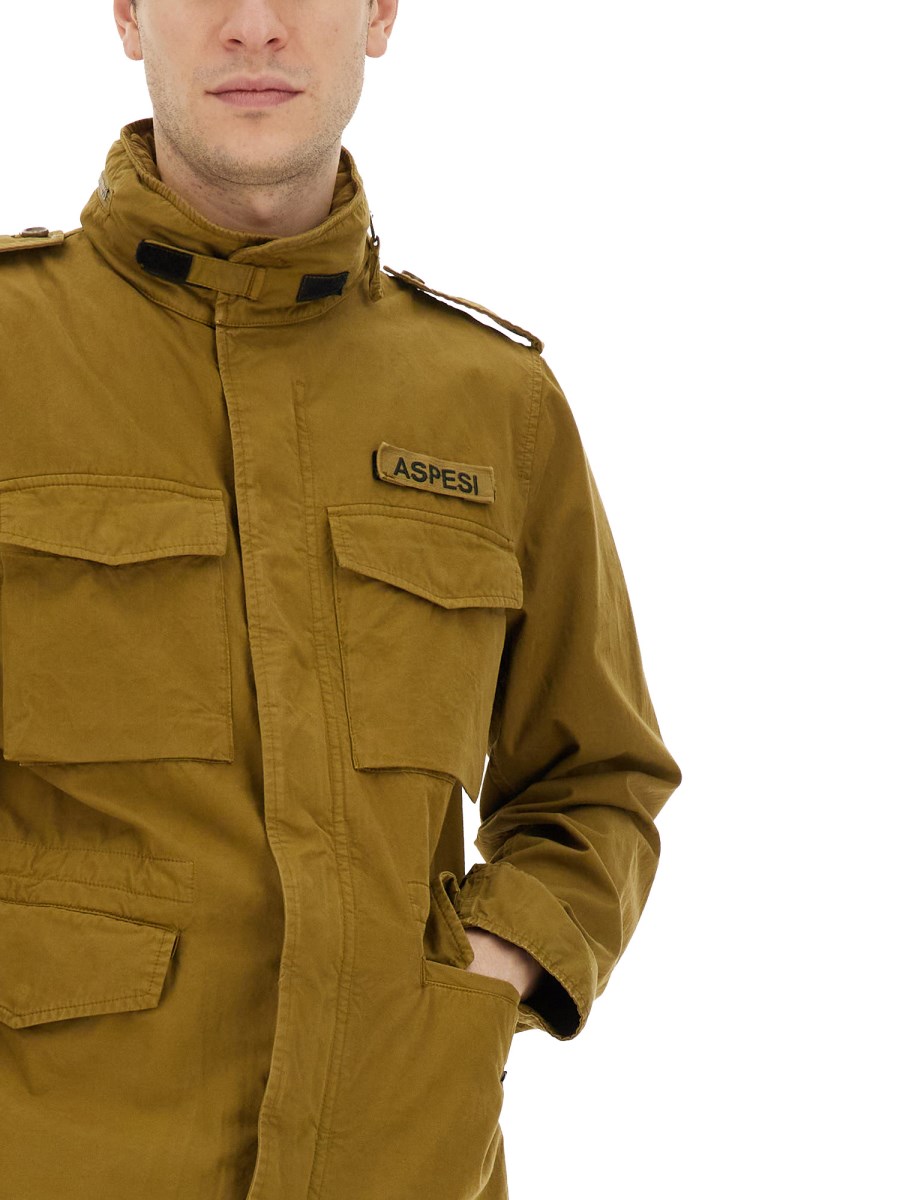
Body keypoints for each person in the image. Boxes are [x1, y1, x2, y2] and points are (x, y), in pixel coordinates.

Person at [0, 2, 682, 1197]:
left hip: (402, 1161)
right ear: (127, 14)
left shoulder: (495, 403)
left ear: (378, 14)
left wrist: (489, 967)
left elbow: (600, 779)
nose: (256, 26)